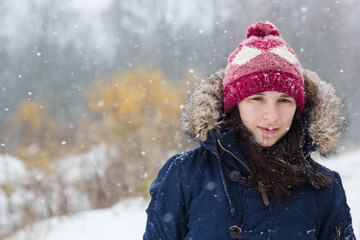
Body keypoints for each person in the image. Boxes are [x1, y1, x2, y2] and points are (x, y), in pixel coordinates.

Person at [143, 22, 355, 239]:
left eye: (284, 100)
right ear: (235, 104)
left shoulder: (323, 186)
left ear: (298, 108)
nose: (271, 115)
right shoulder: (184, 175)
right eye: (257, 99)